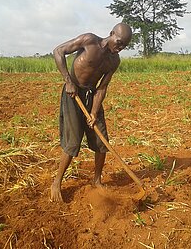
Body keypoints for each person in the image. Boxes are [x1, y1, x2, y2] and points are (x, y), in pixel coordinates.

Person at [50, 23, 132, 202]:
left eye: (124, 46)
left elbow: (102, 88)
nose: (120, 48)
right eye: (119, 42)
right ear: (111, 34)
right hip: (73, 93)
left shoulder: (114, 61)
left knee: (101, 138)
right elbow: (58, 51)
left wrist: (94, 112)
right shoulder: (89, 41)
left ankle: (97, 180)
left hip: (91, 96)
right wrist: (68, 81)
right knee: (73, 141)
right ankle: (57, 182)